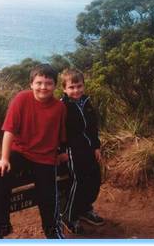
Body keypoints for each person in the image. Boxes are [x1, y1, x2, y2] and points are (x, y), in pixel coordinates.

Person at [0, 64, 67, 239]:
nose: (43, 87)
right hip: (21, 152)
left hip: (45, 157)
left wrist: (62, 152)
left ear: (55, 85)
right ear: (31, 83)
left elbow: (61, 134)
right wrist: (4, 159)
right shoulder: (21, 99)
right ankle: (1, 226)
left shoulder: (59, 107)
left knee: (48, 195)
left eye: (48, 83)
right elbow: (9, 130)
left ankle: (52, 231)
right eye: (39, 83)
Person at [59, 68, 104, 235]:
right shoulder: (62, 106)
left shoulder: (86, 102)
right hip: (72, 151)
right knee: (78, 182)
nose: (76, 90)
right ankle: (69, 215)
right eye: (71, 87)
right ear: (64, 89)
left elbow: (92, 127)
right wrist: (61, 151)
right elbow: (58, 131)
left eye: (79, 86)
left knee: (94, 179)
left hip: (88, 149)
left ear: (83, 86)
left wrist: (96, 146)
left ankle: (85, 209)